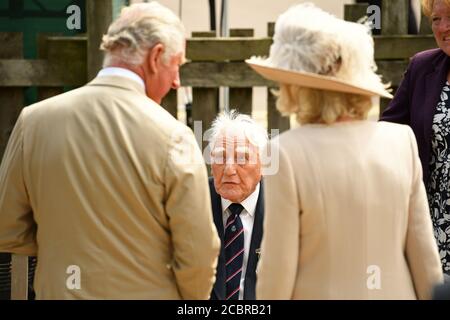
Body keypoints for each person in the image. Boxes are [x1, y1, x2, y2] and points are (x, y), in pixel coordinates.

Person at [0, 2, 220, 299]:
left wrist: (66, 247)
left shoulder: (33, 122)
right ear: (156, 57)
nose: (177, 81)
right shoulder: (174, 136)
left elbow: (8, 227)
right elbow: (197, 253)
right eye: (177, 64)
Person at [246, 2, 443, 299]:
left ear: (297, 86)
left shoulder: (285, 153)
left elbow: (277, 272)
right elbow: (425, 261)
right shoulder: (401, 141)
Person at [380, 0, 450, 276]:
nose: (443, 28)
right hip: (433, 226)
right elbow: (387, 133)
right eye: (436, 19)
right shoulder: (423, 68)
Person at [207, 110, 267, 300]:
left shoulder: (282, 205)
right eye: (220, 157)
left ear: (263, 164)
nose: (229, 169)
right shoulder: (194, 199)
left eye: (242, 158)